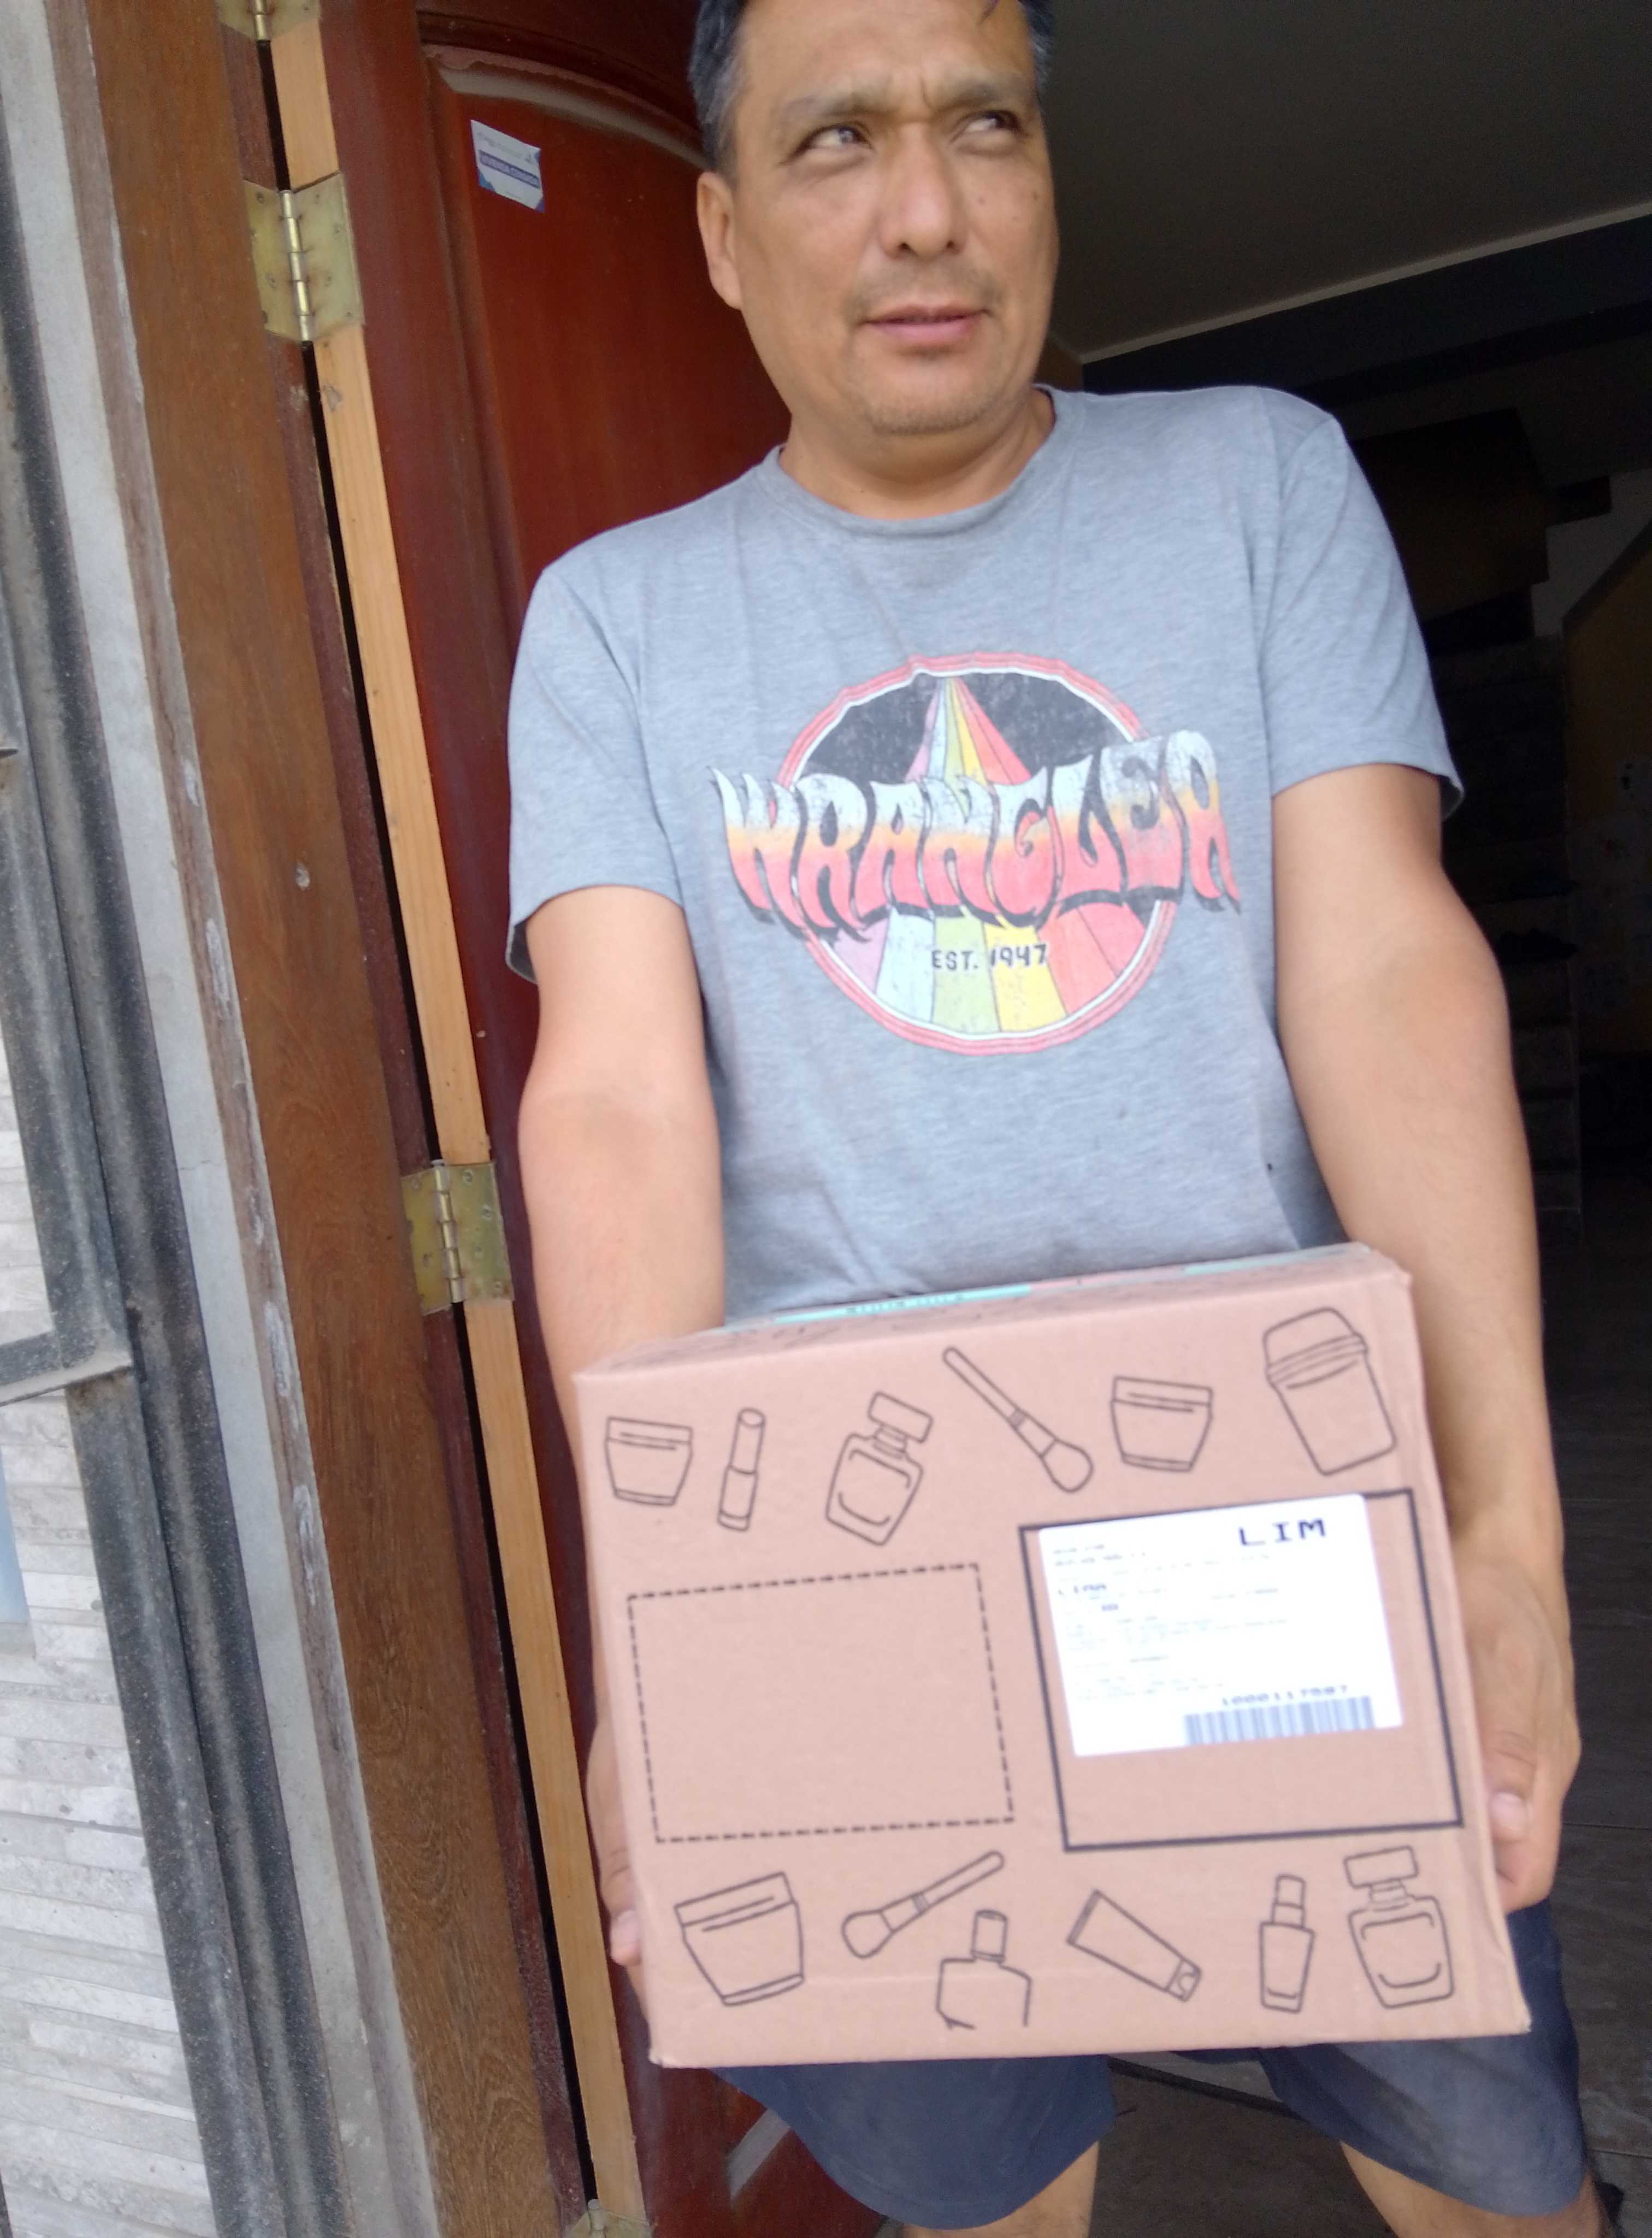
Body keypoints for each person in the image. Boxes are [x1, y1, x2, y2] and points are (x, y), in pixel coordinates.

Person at [506, 1, 1603, 2231]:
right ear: (721, 231)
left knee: (1493, 2171)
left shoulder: (1257, 485)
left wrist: (1507, 1534)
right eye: (836, 141)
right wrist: (668, 1647)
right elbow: (614, 1102)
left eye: (982, 124)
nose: (927, 210)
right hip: (847, 1573)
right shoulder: (614, 624)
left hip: (1276, 1534)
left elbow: (1385, 975)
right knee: (984, 2195)